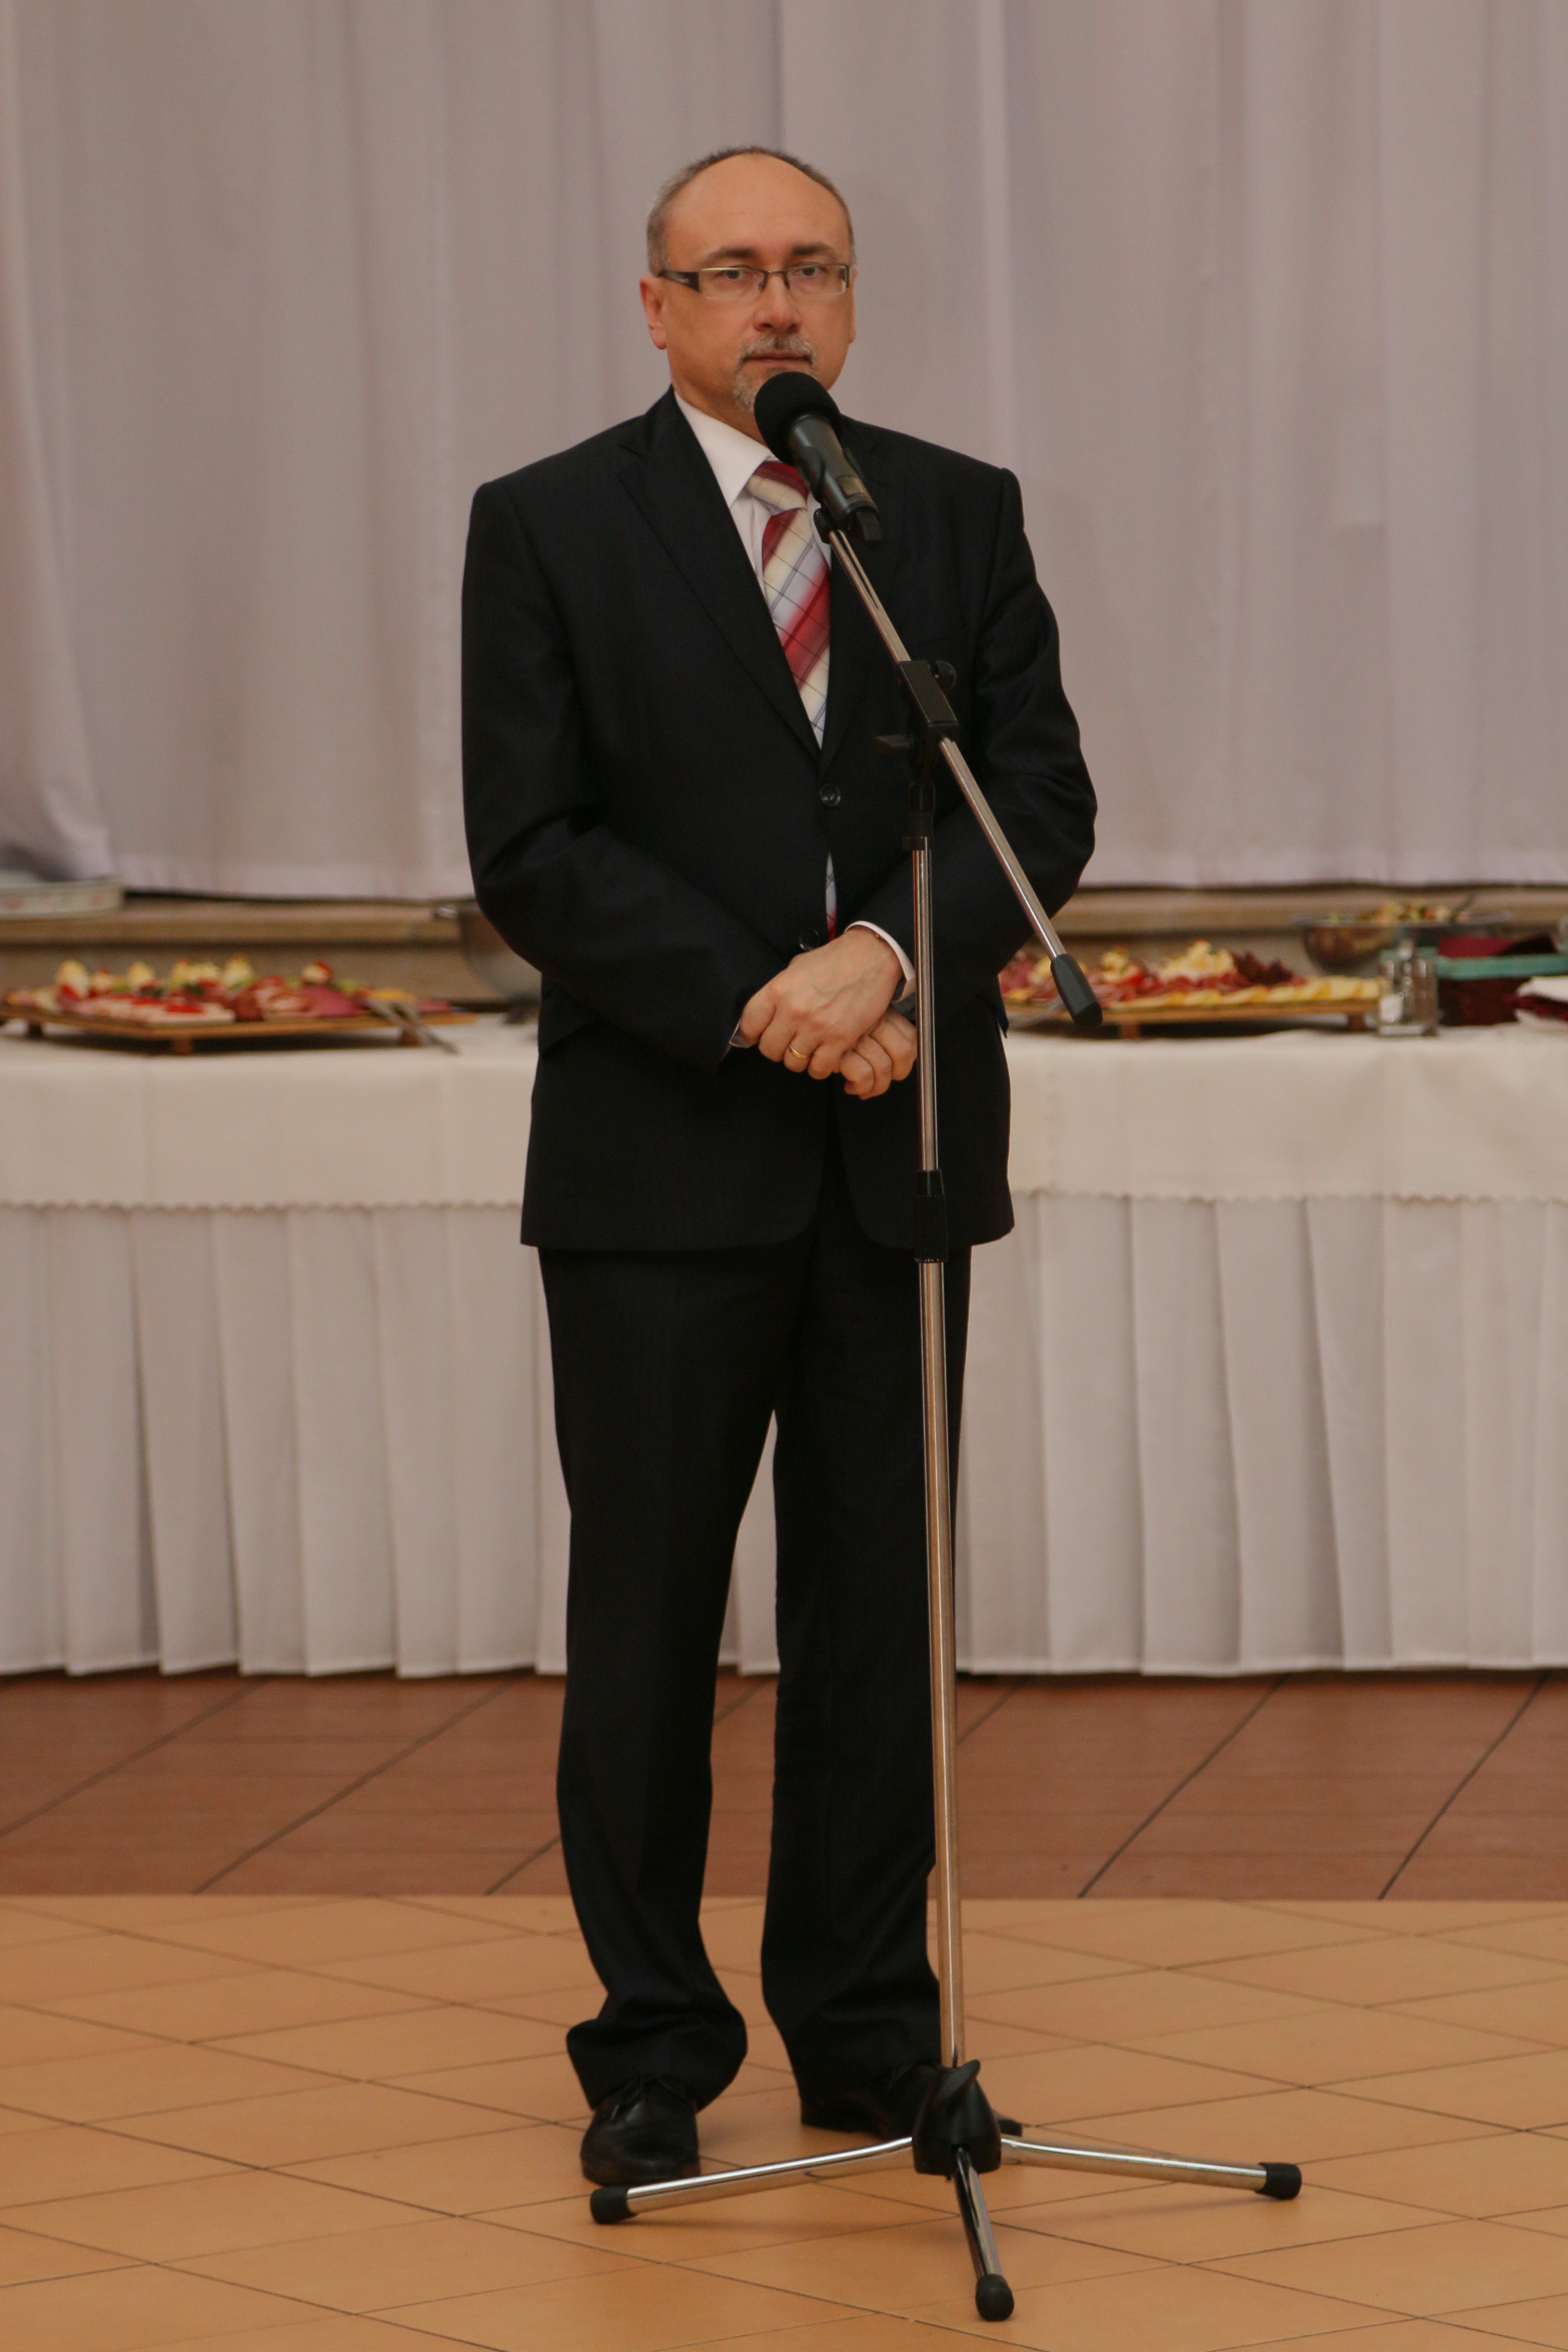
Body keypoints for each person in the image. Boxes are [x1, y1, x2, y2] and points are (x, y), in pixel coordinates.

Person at [462, 146, 1095, 2188]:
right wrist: (771, 1000)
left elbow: (1035, 795)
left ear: (852, 297)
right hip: (662, 1163)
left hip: (900, 1152)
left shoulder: (949, 513)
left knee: (877, 1620)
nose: (777, 304)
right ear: (653, 305)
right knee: (651, 1617)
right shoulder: (551, 522)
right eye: (731, 271)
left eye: (811, 267)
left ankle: (866, 2028)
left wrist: (889, 956)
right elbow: (532, 847)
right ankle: (653, 2045)